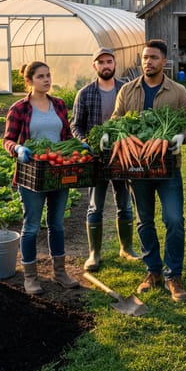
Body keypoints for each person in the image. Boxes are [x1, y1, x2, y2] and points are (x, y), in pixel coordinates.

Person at [113, 39, 186, 302]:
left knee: (174, 220)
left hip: (167, 166)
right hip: (136, 167)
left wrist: (180, 138)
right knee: (144, 221)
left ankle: (174, 275)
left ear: (164, 61)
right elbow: (116, 120)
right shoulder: (127, 90)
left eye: (154, 58)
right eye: (145, 58)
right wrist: (114, 136)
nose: (148, 62)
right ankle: (153, 271)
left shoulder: (178, 90)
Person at [3, 61, 80, 295]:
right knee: (32, 226)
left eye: (48, 75)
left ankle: (60, 273)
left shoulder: (58, 104)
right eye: (40, 76)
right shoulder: (19, 108)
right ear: (29, 81)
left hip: (57, 172)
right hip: (32, 174)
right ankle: (31, 277)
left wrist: (78, 146)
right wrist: (17, 149)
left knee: (56, 224)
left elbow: (66, 135)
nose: (46, 80)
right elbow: (7, 139)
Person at [71, 47, 139, 272]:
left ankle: (126, 248)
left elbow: (135, 120)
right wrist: (86, 142)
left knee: (124, 203)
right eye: (101, 62)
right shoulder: (85, 93)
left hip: (122, 154)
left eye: (109, 61)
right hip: (96, 158)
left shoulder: (126, 89)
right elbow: (76, 125)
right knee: (95, 206)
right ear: (95, 66)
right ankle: (94, 254)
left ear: (115, 64)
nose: (106, 65)